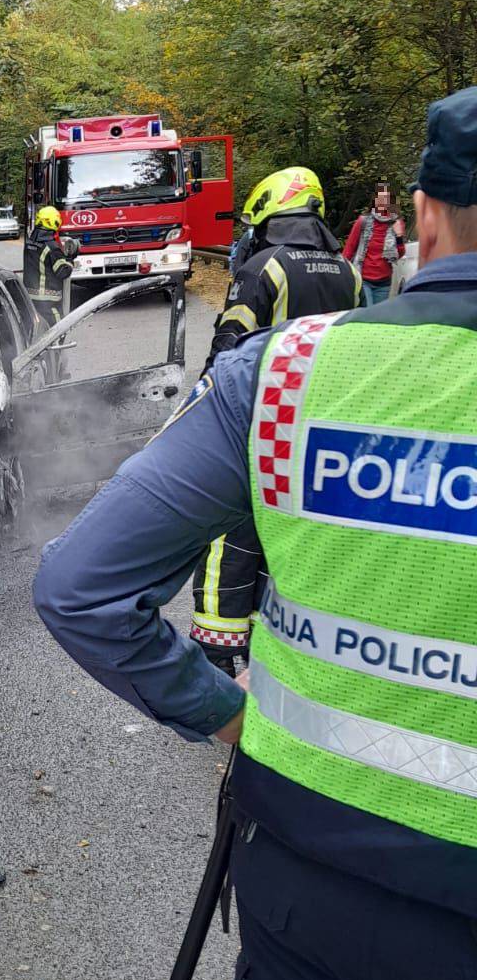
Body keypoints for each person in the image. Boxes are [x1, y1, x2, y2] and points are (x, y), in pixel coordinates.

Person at [32, 84, 477, 980]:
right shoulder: (321, 279)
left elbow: (78, 586)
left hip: (304, 892)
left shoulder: (284, 373)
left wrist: (226, 709)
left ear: (425, 216)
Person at [191, 168, 361, 673]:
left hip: (264, 424)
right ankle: (285, 642)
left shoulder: (265, 267)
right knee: (297, 534)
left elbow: (229, 350)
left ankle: (217, 652)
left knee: (230, 533)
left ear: (270, 211)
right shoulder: (347, 269)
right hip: (325, 429)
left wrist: (203, 413)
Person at [343, 182, 407, 304]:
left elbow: (399, 254)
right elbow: (349, 249)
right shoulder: (363, 221)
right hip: (363, 279)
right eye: (380, 198)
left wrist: (399, 236)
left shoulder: (396, 223)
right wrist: (342, 272)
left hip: (384, 282)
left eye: (385, 198)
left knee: (377, 317)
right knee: (367, 313)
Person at [31, 204, 74, 315]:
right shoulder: (52, 247)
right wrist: (69, 260)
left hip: (31, 297)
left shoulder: (30, 242)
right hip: (48, 301)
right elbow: (63, 272)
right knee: (57, 329)